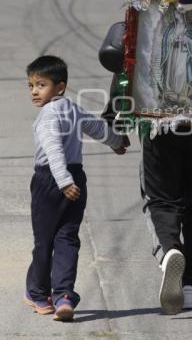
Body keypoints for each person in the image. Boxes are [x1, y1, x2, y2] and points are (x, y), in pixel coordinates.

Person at [24, 55, 129, 321]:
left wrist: (62, 181)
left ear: (60, 87)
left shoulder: (47, 116)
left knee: (44, 241)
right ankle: (64, 296)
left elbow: (53, 150)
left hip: (51, 181)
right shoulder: (72, 108)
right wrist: (116, 141)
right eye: (31, 85)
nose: (35, 91)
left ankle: (39, 295)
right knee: (67, 238)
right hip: (75, 178)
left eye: (41, 84)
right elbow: (95, 126)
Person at [140, 125, 192, 315]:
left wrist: (114, 118)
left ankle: (170, 250)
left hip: (160, 123)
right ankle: (190, 285)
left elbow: (129, 94)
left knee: (160, 199)